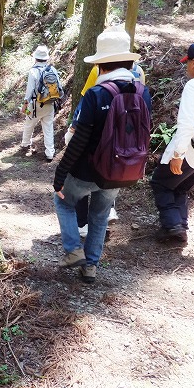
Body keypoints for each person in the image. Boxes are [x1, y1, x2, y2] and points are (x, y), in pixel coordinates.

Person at [53, 29, 151, 283]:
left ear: (101, 65)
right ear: (129, 62)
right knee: (99, 216)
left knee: (63, 200)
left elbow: (80, 140)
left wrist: (61, 173)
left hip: (89, 169)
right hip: (122, 170)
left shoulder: (96, 94)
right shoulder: (143, 93)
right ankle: (90, 267)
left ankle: (74, 250)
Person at [66, 26, 145, 238]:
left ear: (101, 60)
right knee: (107, 188)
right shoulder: (140, 77)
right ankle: (107, 214)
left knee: (77, 184)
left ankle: (81, 227)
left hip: (96, 150)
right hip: (125, 153)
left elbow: (85, 102)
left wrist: (73, 128)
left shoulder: (97, 77)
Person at [149, 42, 194, 244]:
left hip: (193, 149)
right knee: (180, 187)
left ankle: (173, 226)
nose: (186, 67)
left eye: (187, 62)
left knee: (160, 183)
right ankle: (180, 226)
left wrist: (177, 155)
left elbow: (187, 124)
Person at [20, 45, 57, 162]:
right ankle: (50, 153)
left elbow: (30, 90)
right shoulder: (52, 69)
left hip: (36, 104)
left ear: (35, 58)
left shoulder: (33, 71)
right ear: (46, 58)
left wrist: (25, 104)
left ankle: (25, 144)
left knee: (29, 124)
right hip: (50, 103)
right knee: (48, 128)